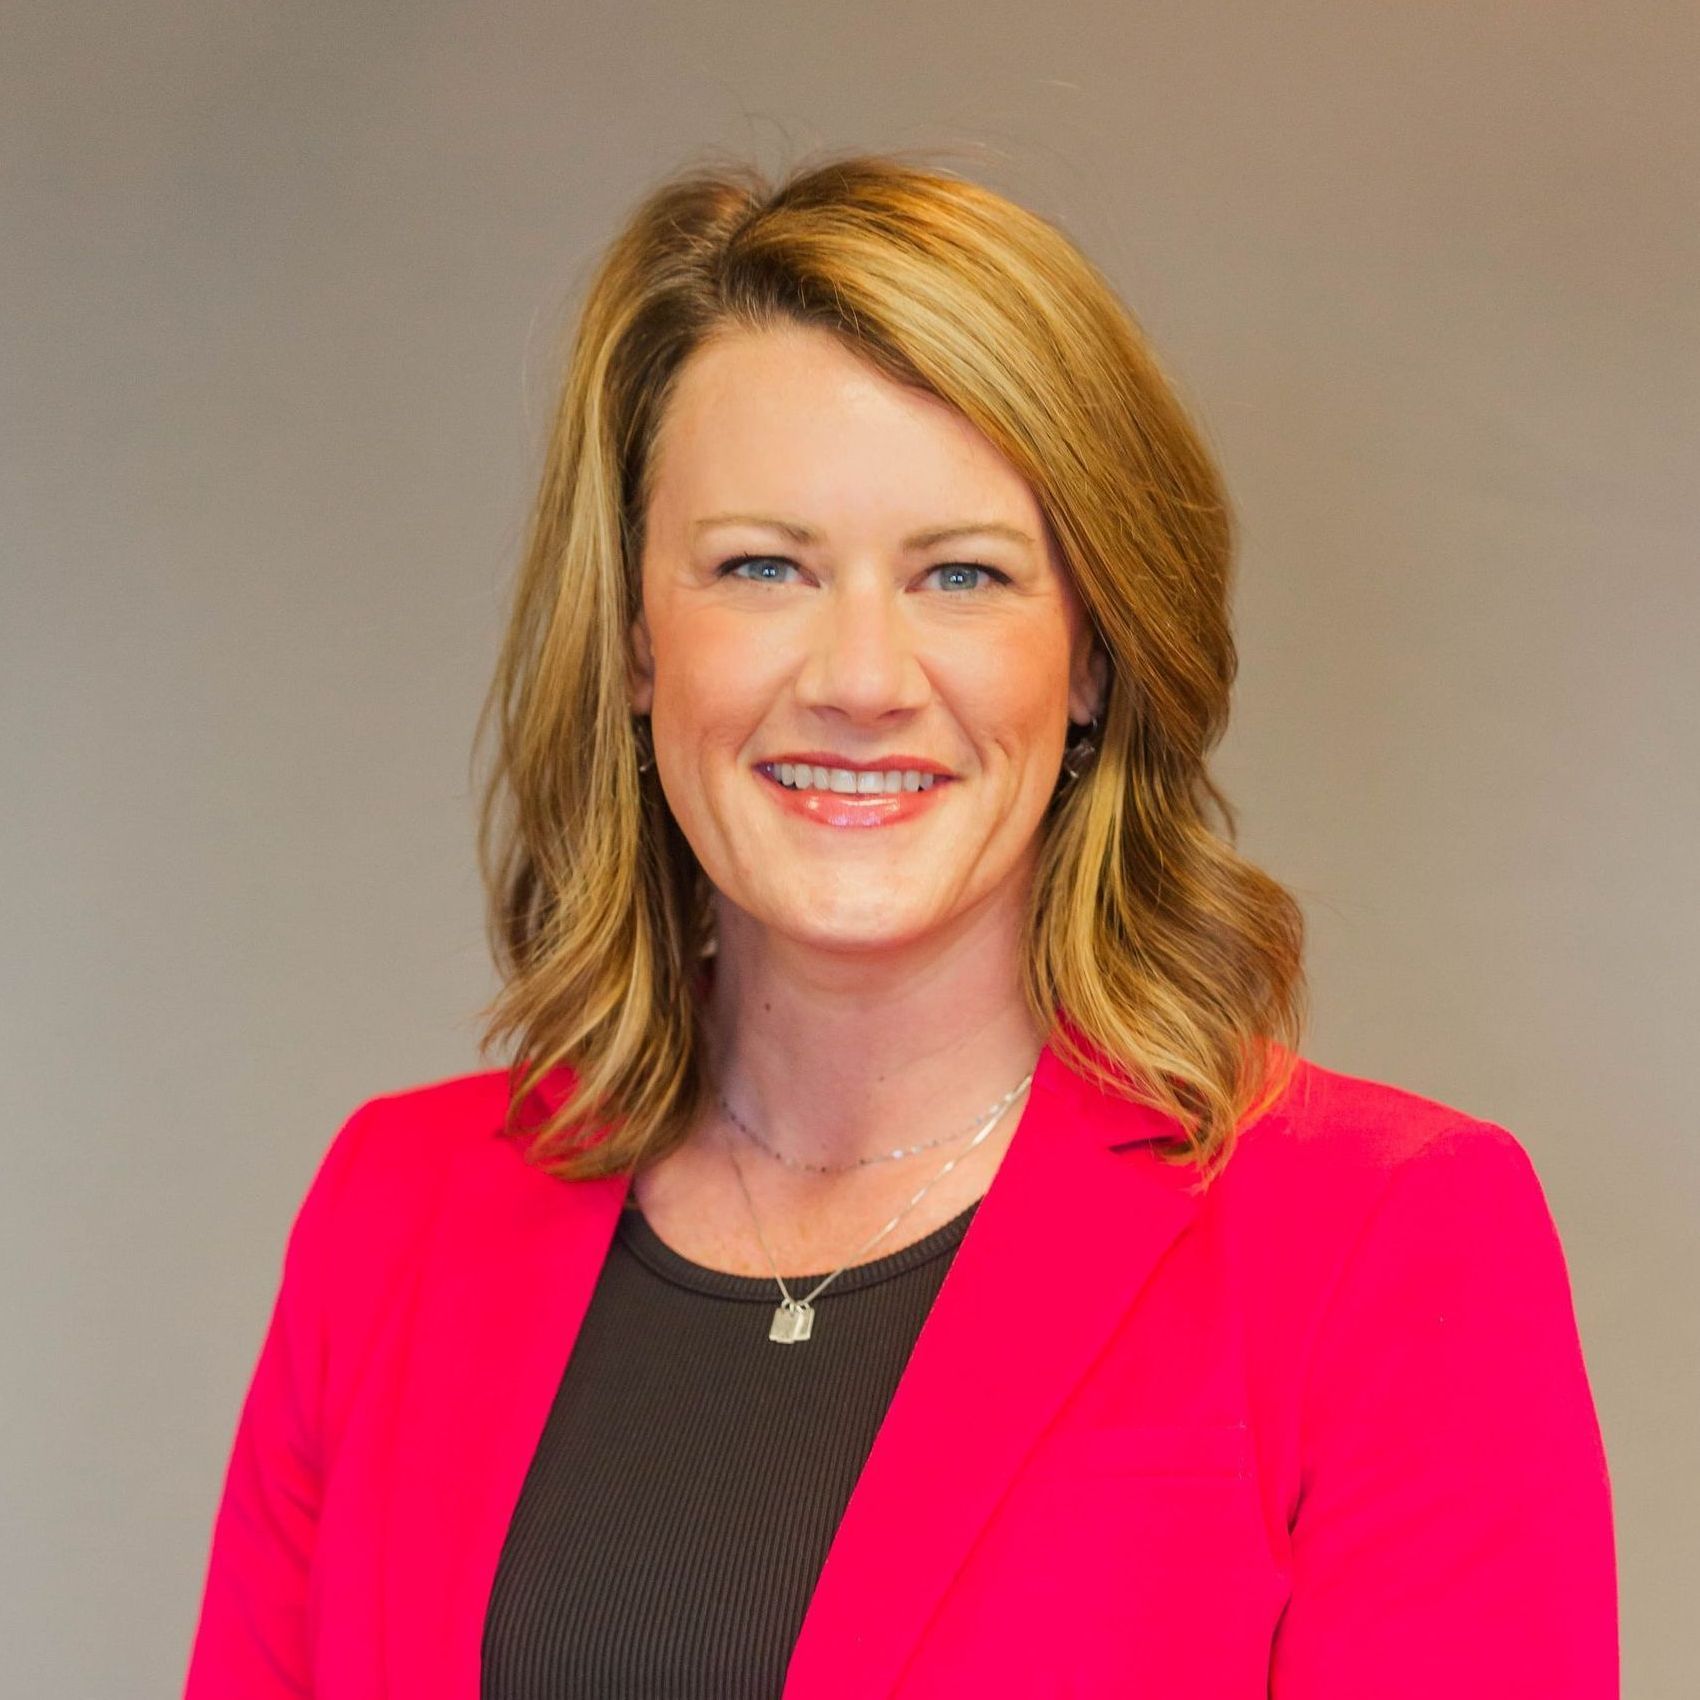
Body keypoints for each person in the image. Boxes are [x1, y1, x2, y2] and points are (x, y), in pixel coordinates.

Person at [182, 152, 1618, 1699]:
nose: (861, 678)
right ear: (638, 643)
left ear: (1090, 658)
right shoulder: (393, 1217)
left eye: (962, 574)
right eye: (760, 567)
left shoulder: (1381, 1247)